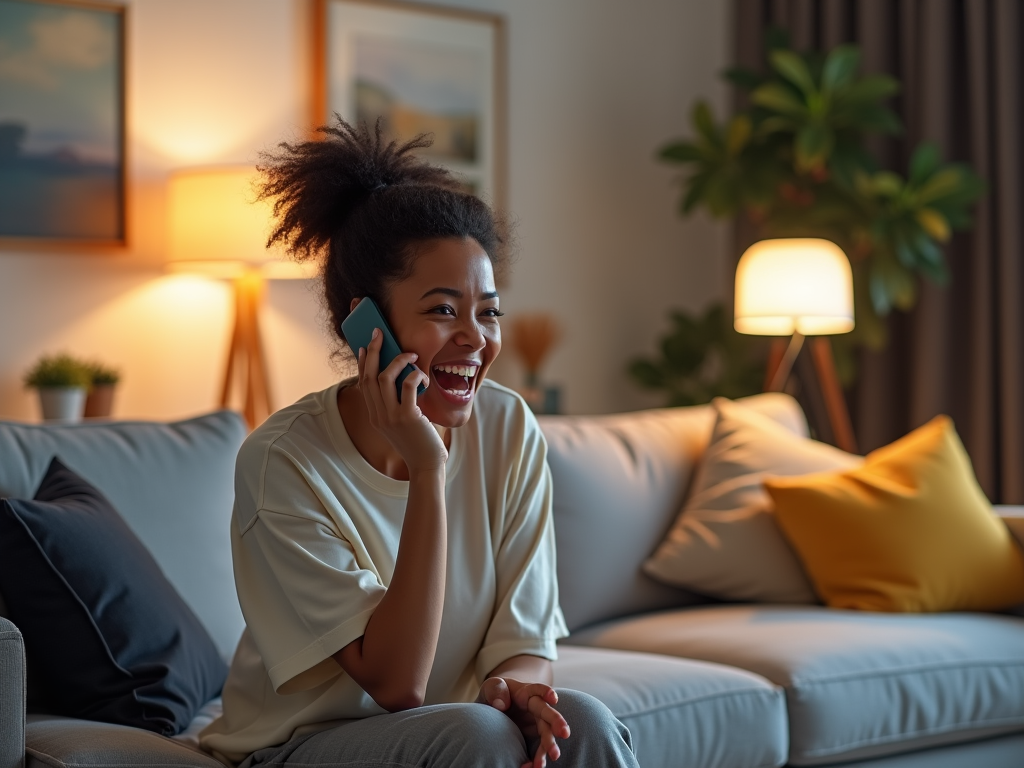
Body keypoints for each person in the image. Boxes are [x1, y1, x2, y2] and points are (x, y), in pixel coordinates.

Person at [199, 120, 639, 768]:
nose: (475, 338)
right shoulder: (283, 463)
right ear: (365, 324)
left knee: (584, 723)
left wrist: (518, 688)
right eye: (441, 311)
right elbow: (397, 682)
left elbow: (526, 635)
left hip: (452, 733)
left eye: (487, 311)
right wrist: (429, 468)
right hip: (297, 749)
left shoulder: (508, 427)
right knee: (480, 735)